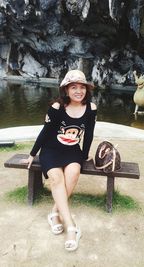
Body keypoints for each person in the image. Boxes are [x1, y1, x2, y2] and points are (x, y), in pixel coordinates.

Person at [22, 69, 97, 251]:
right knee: (56, 178)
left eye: (82, 87)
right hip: (51, 150)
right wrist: (33, 154)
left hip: (72, 151)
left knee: (73, 172)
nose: (78, 91)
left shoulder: (91, 108)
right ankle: (71, 226)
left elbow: (88, 135)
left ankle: (55, 212)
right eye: (74, 87)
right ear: (66, 90)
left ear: (86, 89)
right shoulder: (57, 107)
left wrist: (84, 154)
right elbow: (45, 132)